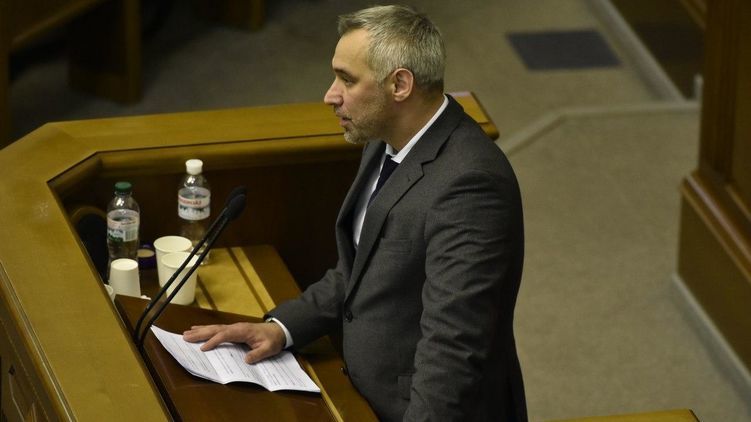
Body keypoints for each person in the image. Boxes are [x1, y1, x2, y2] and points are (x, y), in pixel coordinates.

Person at [184, 5, 527, 421]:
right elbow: (362, 269)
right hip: (361, 393)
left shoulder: (470, 185)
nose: (330, 95)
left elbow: (453, 349)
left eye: (347, 79)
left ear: (399, 84)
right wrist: (282, 328)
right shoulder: (384, 136)